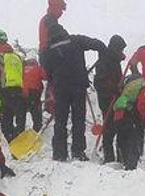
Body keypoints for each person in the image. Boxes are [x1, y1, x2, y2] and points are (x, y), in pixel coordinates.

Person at [40, 24, 106, 161]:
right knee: (78, 120)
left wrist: (56, 78)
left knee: (60, 121)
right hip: (78, 87)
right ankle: (78, 152)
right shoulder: (76, 40)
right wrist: (102, 59)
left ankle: (59, 154)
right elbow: (99, 44)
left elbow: (46, 73)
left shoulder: (48, 50)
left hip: (60, 89)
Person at [93, 35, 127, 163]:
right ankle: (109, 157)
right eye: (120, 49)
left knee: (119, 127)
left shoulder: (115, 61)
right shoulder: (104, 61)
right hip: (107, 99)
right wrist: (114, 88)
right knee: (109, 129)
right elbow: (99, 82)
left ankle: (120, 157)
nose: (122, 52)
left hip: (116, 99)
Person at [0, 30, 26, 142]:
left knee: (6, 124)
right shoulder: (17, 57)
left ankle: (16, 146)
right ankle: (23, 144)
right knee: (20, 123)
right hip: (19, 93)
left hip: (4, 93)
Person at [111, 73, 145, 170]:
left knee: (123, 139)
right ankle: (131, 167)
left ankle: (123, 162)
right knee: (133, 140)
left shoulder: (132, 84)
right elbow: (142, 105)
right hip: (129, 113)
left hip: (118, 114)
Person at [22, 58, 46, 133]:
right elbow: (45, 77)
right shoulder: (38, 68)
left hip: (22, 94)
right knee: (36, 113)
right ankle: (37, 129)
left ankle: (20, 130)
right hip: (34, 93)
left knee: (21, 115)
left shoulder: (22, 69)